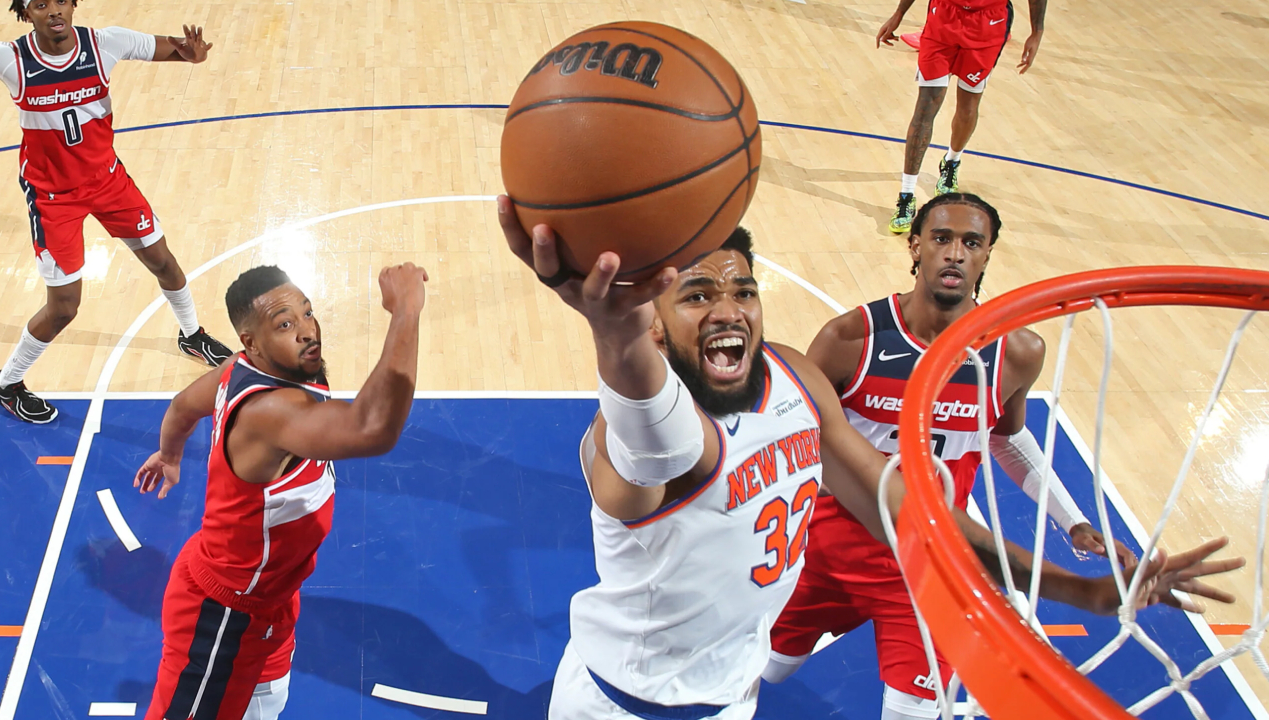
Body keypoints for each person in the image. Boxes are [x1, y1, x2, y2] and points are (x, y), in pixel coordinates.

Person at [496, 198, 1243, 720]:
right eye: (695, 296)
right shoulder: (624, 439)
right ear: (655, 329)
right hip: (622, 706)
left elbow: (917, 513)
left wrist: (1089, 593)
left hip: (728, 697)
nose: (728, 308)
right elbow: (649, 434)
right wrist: (613, 333)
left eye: (743, 290)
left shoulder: (793, 377)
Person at [762, 192, 1135, 717]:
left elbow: (1006, 438)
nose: (955, 253)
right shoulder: (852, 339)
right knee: (766, 670)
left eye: (971, 242)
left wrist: (1071, 521)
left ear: (987, 256)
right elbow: (790, 436)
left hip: (931, 564)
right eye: (941, 239)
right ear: (915, 246)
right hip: (830, 552)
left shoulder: (1015, 352)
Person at [132, 263, 428, 720]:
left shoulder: (248, 368)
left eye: (307, 314)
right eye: (285, 324)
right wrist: (406, 311)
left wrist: (169, 455)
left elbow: (183, 406)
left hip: (270, 598)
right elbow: (373, 429)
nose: (308, 331)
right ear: (251, 342)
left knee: (265, 706)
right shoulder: (271, 410)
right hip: (223, 614)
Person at [0, 0, 230, 424]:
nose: (55, 11)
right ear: (27, 14)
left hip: (107, 181)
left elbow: (176, 50)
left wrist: (191, 55)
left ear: (74, 4)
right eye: (41, 4)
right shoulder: (10, 58)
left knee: (164, 263)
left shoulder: (105, 44)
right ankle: (7, 383)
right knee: (64, 308)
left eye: (61, 0)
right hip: (52, 196)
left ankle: (192, 335)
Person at [877, 0, 1046, 233]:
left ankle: (952, 161)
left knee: (967, 107)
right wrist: (899, 12)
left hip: (988, 23)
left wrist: (1037, 31)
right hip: (944, 17)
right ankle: (906, 195)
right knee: (925, 107)